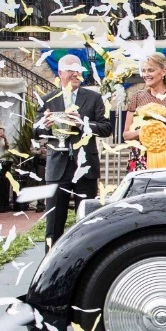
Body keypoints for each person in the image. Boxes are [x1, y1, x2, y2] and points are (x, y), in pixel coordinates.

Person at [35, 53, 108, 248]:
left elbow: (106, 127)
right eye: (71, 70)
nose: (76, 74)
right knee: (54, 224)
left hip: (85, 167)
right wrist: (46, 124)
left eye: (79, 70)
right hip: (57, 168)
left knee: (87, 224)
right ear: (60, 73)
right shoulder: (48, 99)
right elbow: (35, 130)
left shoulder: (93, 98)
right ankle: (50, 271)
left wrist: (83, 124)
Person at [123, 51, 166, 169]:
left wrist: (163, 129)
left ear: (163, 71)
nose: (146, 74)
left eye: (151, 70)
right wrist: (145, 130)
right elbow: (126, 135)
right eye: (143, 71)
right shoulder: (137, 98)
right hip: (141, 160)